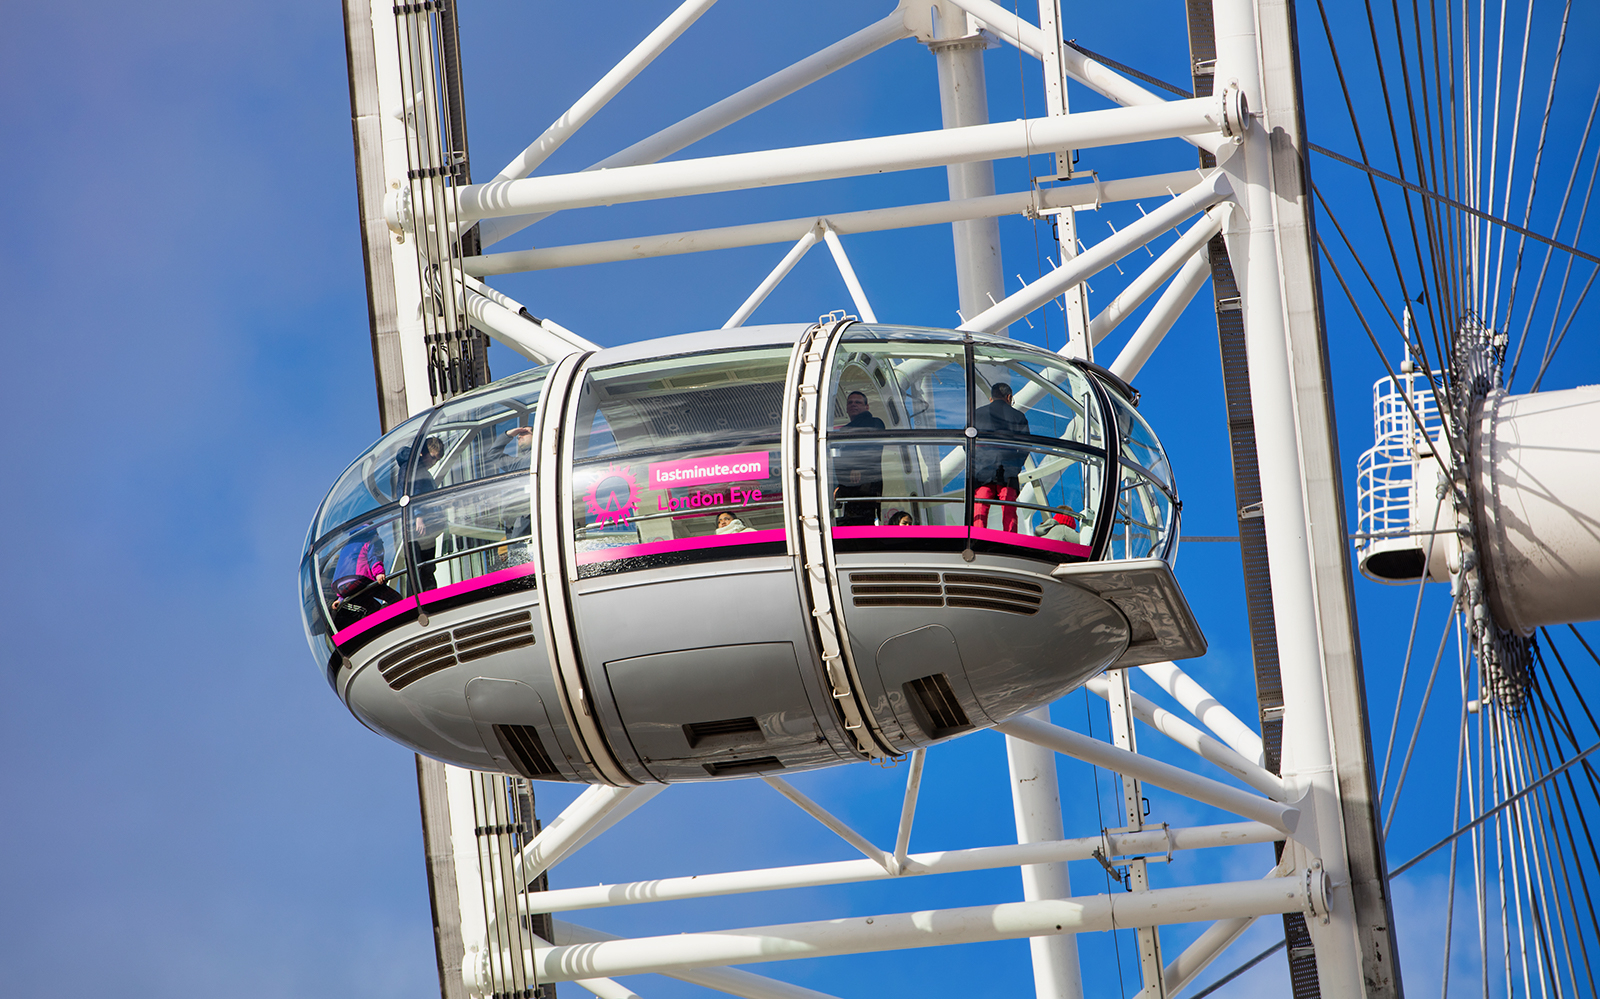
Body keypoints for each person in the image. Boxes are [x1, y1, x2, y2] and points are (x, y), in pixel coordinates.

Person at [971, 381, 1032, 532]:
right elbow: (1026, 446)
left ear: (991, 398)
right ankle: (1010, 539)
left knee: (980, 508)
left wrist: (977, 461)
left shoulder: (976, 414)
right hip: (1008, 471)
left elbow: (967, 444)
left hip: (983, 469)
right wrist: (1016, 466)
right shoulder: (1018, 416)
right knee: (1009, 509)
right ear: (1009, 397)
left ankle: (977, 537)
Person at [328, 523, 404, 631]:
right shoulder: (372, 538)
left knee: (373, 607)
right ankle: (394, 623)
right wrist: (379, 573)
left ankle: (372, 628)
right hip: (359, 580)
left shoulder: (348, 544)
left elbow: (343, 569)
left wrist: (340, 598)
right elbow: (374, 557)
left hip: (342, 587)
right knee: (396, 598)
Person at [398, 436, 445, 591]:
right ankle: (420, 600)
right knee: (419, 567)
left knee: (426, 567)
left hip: (425, 524)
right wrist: (419, 516)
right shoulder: (413, 466)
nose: (433, 463)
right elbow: (412, 492)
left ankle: (429, 597)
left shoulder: (418, 468)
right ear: (422, 453)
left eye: (436, 460)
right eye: (432, 458)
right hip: (417, 525)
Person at [833, 391, 886, 526]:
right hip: (848, 486)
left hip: (866, 484)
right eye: (850, 402)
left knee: (862, 521)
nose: (853, 405)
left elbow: (872, 448)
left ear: (866, 407)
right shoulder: (843, 431)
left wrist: (857, 466)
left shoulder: (874, 423)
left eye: (858, 402)